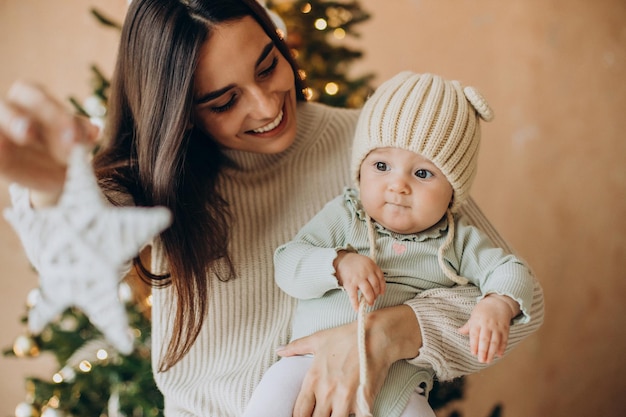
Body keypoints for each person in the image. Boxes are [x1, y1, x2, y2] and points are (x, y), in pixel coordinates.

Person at [0, 1, 544, 416]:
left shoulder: (378, 156)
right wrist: (52, 187)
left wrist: (390, 333)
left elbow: (516, 302)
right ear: (179, 114)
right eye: (223, 100)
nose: (266, 105)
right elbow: (76, 255)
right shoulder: (156, 182)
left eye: (267, 66)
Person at [241, 72, 537, 417]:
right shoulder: (346, 214)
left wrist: (498, 303)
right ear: (361, 169)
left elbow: (510, 269)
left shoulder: (457, 239)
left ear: (454, 190)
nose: (398, 186)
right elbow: (288, 263)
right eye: (381, 166)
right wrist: (337, 264)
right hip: (307, 364)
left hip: (399, 388)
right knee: (268, 402)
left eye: (422, 174)